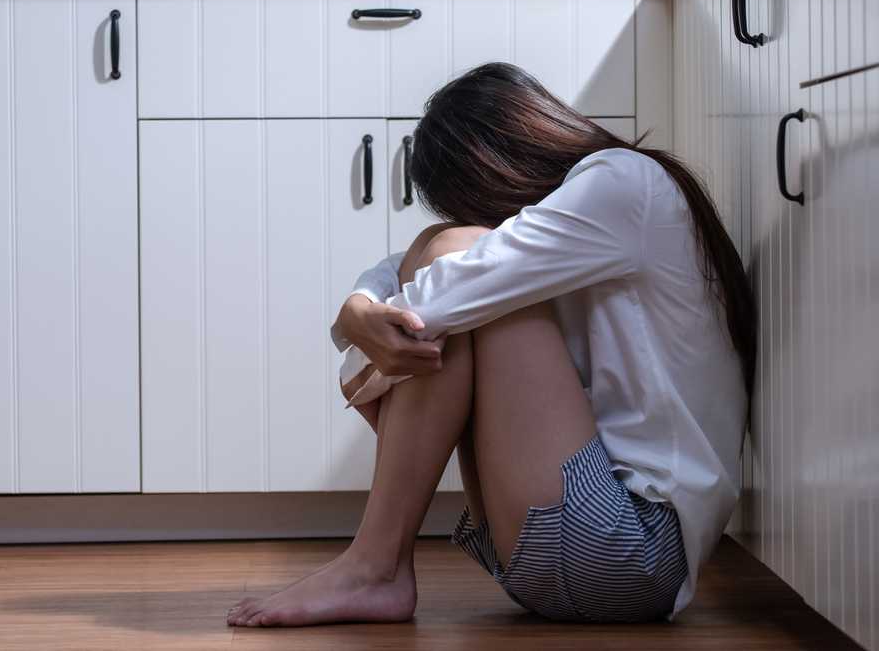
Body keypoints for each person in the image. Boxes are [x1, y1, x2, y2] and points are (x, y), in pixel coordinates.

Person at [226, 62, 754, 627]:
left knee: (454, 256)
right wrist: (358, 308)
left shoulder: (625, 182)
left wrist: (362, 346)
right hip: (572, 551)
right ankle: (375, 565)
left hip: (631, 551)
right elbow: (412, 269)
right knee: (444, 246)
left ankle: (375, 566)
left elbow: (435, 296)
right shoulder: (602, 204)